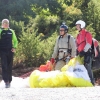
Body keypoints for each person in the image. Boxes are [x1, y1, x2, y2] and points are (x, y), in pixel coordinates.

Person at [75, 20, 95, 85]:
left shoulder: (87, 34)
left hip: (87, 53)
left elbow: (89, 43)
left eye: (78, 25)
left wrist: (84, 51)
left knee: (88, 67)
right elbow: (77, 44)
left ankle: (92, 82)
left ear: (82, 26)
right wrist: (77, 51)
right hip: (80, 54)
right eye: (76, 25)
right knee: (80, 67)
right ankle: (84, 82)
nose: (77, 27)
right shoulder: (78, 35)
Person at [0, 19, 18, 88]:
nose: (6, 24)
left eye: (7, 23)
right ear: (2, 24)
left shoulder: (11, 31)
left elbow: (15, 41)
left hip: (10, 51)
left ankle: (10, 81)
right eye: (4, 23)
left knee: (9, 66)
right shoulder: (0, 31)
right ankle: (6, 81)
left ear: (8, 24)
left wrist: (14, 47)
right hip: (2, 51)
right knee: (4, 66)